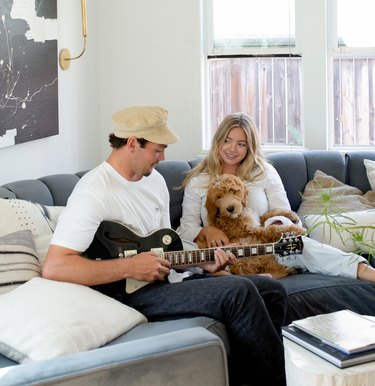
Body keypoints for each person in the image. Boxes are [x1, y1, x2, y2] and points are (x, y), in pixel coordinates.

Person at [42, 105, 288, 386]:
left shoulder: (154, 180)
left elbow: (166, 248)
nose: (163, 157)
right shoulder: (94, 191)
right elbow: (55, 266)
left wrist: (200, 262)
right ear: (133, 144)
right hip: (126, 294)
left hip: (165, 282)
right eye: (157, 150)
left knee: (273, 289)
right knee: (240, 291)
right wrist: (130, 266)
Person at [177, 112, 375, 283]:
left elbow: (283, 214)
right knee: (201, 259)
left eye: (241, 144)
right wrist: (206, 231)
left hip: (267, 247)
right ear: (217, 141)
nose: (232, 149)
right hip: (225, 254)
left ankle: (366, 272)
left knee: (302, 245)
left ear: (249, 147)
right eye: (227, 141)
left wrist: (270, 230)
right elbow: (185, 228)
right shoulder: (198, 181)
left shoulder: (264, 172)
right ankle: (237, 279)